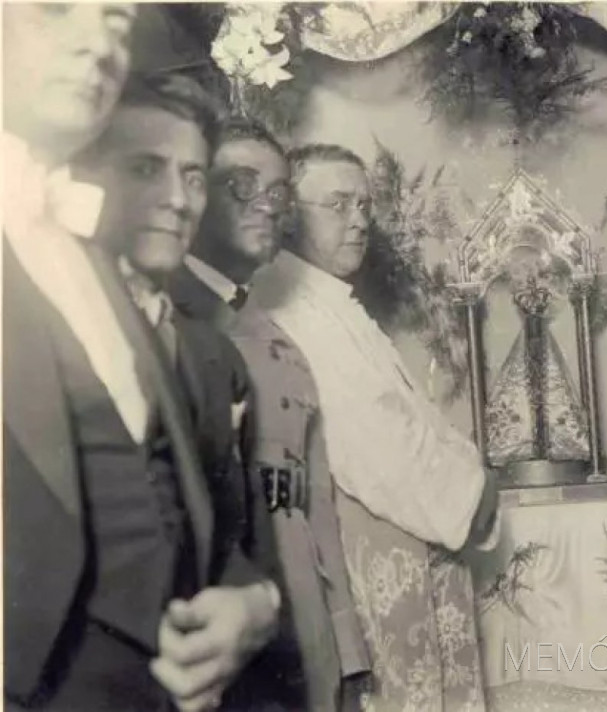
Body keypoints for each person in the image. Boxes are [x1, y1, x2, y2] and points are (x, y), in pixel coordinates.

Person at [3, 7, 279, 712]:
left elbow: (180, 513)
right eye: (57, 7)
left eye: (118, 20)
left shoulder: (90, 255)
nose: (97, 42)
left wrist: (252, 605)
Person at [250, 143, 500, 711]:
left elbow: (411, 415)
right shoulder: (291, 307)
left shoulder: (331, 300)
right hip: (376, 546)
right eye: (338, 204)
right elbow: (373, 442)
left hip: (415, 536)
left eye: (364, 203)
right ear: (289, 211)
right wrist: (475, 490)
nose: (359, 219)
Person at [169, 119, 372, 711]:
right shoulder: (168, 321)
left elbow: (314, 506)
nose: (264, 204)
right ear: (198, 192)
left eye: (279, 191)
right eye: (240, 184)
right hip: (217, 639)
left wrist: (344, 643)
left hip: (301, 628)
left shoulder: (280, 337)